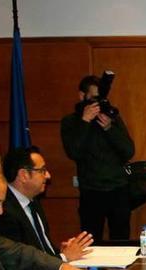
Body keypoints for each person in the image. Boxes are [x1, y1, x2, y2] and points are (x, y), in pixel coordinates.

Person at [60, 74, 135, 241]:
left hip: (119, 189)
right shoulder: (71, 122)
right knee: (91, 241)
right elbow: (74, 152)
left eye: (101, 98)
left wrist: (109, 128)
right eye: (94, 98)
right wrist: (85, 121)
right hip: (91, 191)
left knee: (122, 240)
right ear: (82, 96)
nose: (98, 103)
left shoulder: (111, 117)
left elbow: (129, 151)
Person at [0, 147, 93, 265]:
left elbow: (41, 250)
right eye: (42, 170)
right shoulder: (3, 211)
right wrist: (63, 257)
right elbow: (18, 262)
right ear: (23, 175)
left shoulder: (32, 201)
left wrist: (60, 251)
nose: (48, 175)